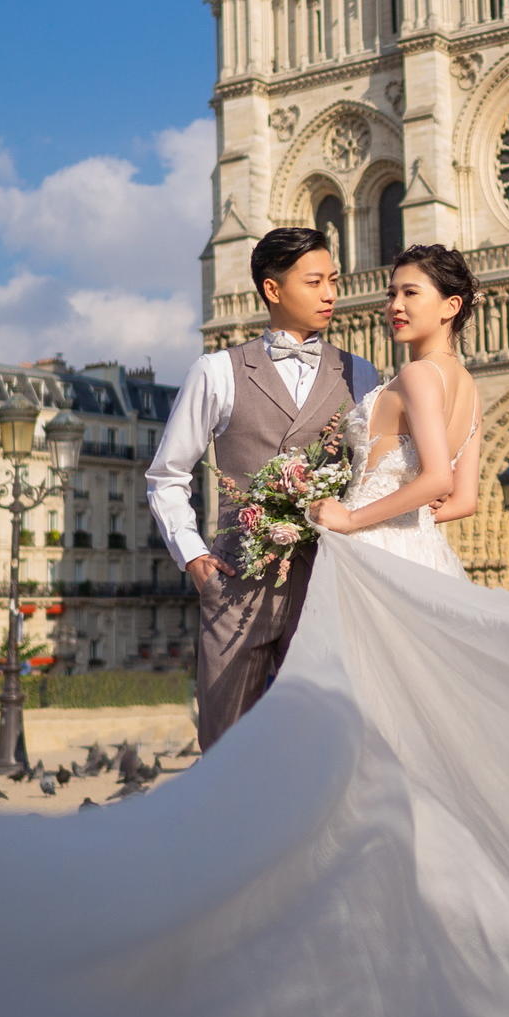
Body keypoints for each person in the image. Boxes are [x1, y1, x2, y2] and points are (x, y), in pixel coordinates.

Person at [145, 227, 382, 752]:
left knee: (324, 746)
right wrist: (194, 558)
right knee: (228, 747)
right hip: (237, 584)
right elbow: (167, 476)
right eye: (315, 281)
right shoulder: (216, 372)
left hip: (328, 581)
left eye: (333, 281)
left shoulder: (362, 373)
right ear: (273, 290)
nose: (331, 294)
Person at [308, 244, 482, 581]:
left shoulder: (419, 375)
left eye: (410, 293)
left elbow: (437, 479)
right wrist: (406, 516)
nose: (394, 306)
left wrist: (352, 519)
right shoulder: (470, 389)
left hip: (373, 547)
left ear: (451, 305)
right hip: (423, 551)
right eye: (391, 294)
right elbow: (464, 501)